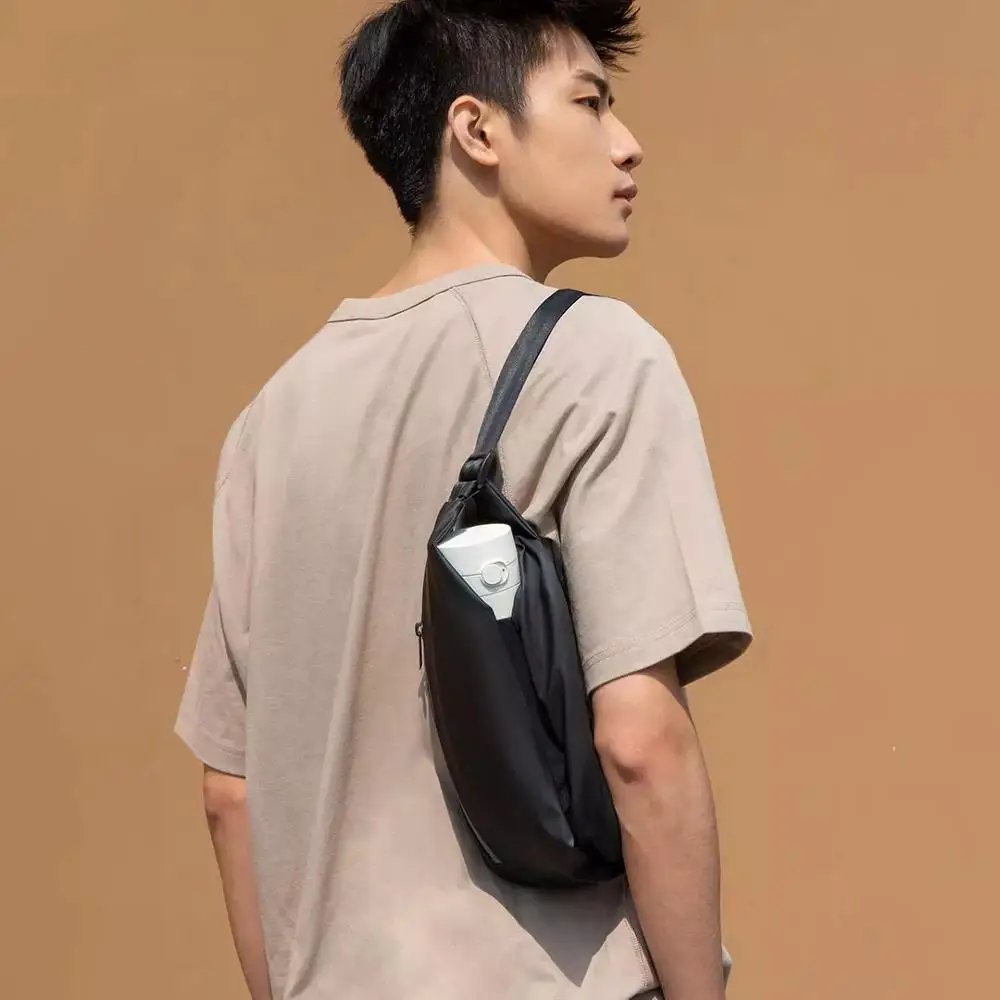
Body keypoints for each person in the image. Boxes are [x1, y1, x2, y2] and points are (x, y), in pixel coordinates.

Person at [174, 2, 753, 999]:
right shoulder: (597, 356)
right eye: (591, 102)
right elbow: (640, 744)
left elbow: (231, 790)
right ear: (477, 130)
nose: (627, 143)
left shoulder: (271, 420)